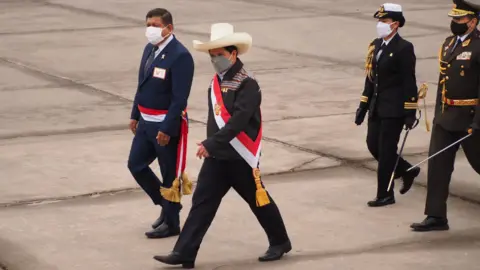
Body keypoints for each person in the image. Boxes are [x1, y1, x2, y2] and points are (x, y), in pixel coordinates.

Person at [153, 23, 291, 269]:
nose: (216, 59)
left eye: (220, 55)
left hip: (239, 155)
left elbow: (239, 119)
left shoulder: (247, 83)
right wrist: (213, 145)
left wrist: (210, 143)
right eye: (212, 55)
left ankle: (280, 241)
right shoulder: (217, 81)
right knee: (201, 204)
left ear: (233, 54)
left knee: (259, 201)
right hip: (217, 157)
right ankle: (184, 253)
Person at [411, 0, 480, 232]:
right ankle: (436, 215)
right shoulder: (449, 44)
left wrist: (478, 121)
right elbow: (443, 82)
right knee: (438, 166)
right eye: (453, 18)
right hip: (446, 116)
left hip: (470, 118)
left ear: (473, 21)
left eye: (460, 19)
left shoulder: (479, 46)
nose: (455, 23)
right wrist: (439, 111)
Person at [127, 8, 195, 239]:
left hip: (164, 124)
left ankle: (172, 223)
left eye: (155, 25)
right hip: (145, 122)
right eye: (148, 25)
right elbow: (142, 84)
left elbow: (179, 98)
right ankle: (166, 207)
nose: (151, 30)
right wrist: (134, 113)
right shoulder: (150, 49)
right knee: (136, 165)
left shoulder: (180, 56)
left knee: (168, 174)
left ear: (169, 28)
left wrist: (167, 128)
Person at [355, 3, 421, 207]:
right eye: (379, 21)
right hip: (376, 106)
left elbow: (409, 81)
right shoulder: (375, 45)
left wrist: (410, 112)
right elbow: (370, 78)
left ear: (395, 24)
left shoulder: (404, 48)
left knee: (386, 151)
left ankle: (385, 194)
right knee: (372, 144)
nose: (380, 25)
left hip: (394, 110)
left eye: (383, 21)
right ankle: (406, 170)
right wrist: (363, 107)